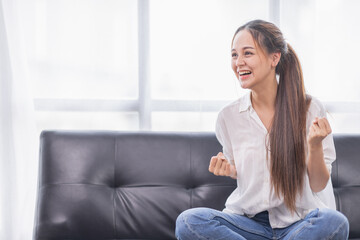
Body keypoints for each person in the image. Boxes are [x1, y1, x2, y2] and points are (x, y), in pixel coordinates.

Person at [175, 19, 349, 240]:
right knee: (189, 221)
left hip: (298, 224)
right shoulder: (228, 117)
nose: (239, 62)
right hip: (248, 224)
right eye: (234, 55)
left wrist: (314, 146)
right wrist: (230, 169)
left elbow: (318, 183)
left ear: (274, 58)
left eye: (247, 53)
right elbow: (246, 170)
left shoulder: (309, 108)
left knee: (334, 222)